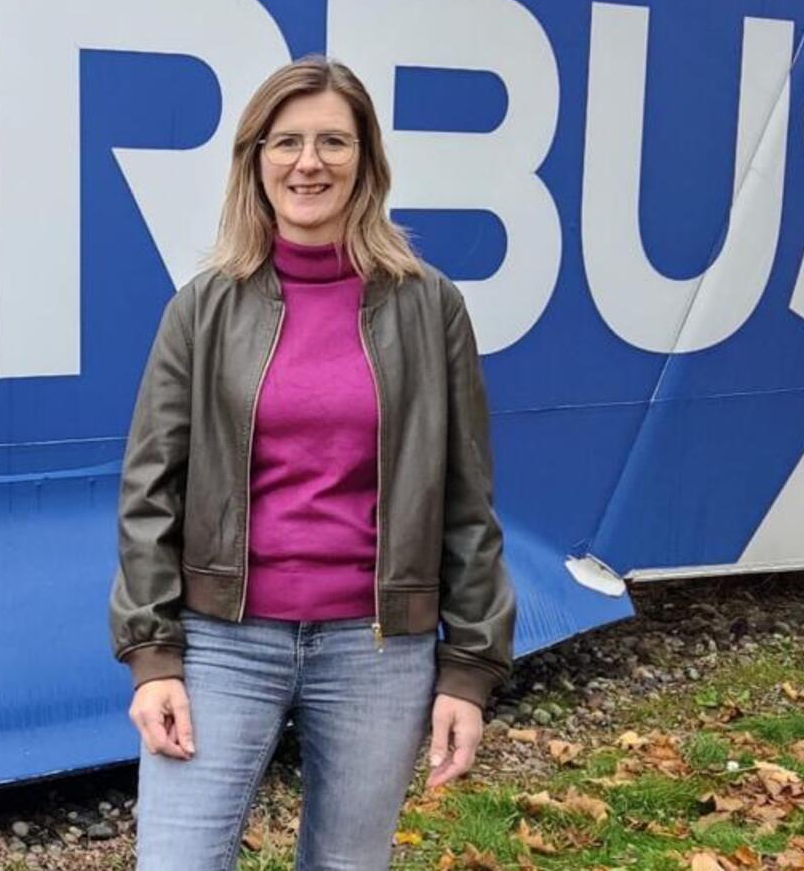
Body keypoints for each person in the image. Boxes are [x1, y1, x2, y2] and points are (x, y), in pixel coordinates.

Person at [110, 55, 517, 869]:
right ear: (254, 159)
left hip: (378, 650)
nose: (309, 162)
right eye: (286, 141)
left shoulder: (429, 306)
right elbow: (150, 491)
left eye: (334, 141)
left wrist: (468, 671)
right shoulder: (203, 307)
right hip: (223, 641)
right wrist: (153, 658)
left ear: (366, 161)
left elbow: (468, 501)